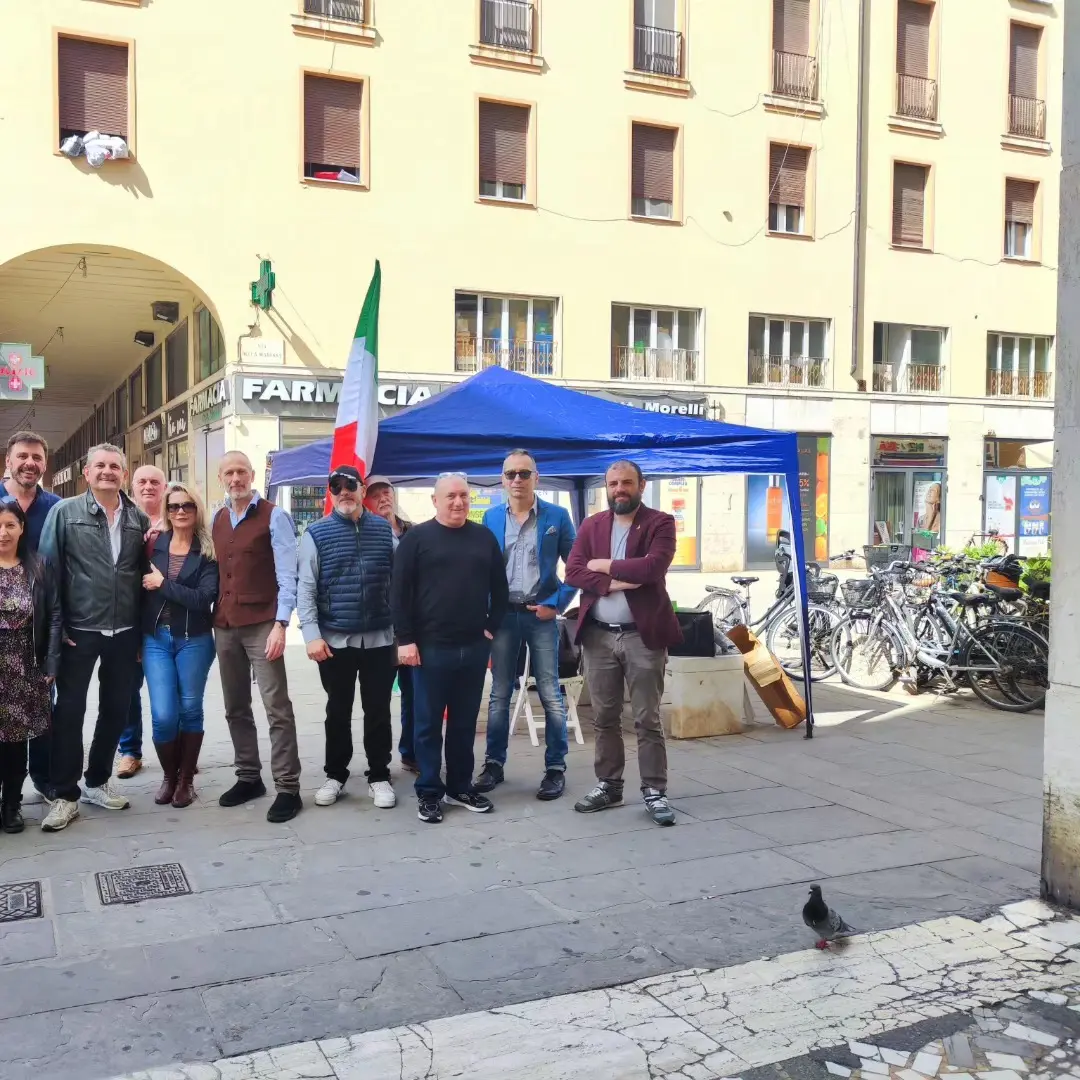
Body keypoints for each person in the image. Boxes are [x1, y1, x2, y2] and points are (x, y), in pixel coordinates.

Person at [38, 443, 151, 832]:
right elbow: (47, 574)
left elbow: (140, 576)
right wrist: (58, 627)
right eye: (99, 466)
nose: (107, 471)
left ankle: (98, 781)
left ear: (124, 472)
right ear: (86, 473)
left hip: (124, 632)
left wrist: (139, 633)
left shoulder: (137, 517)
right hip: (79, 631)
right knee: (68, 712)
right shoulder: (64, 513)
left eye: (114, 466)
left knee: (116, 709)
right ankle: (65, 794)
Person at [564, 459, 682, 828]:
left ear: (641, 485)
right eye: (613, 483)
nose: (619, 489)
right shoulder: (592, 524)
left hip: (641, 636)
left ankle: (654, 790)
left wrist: (602, 564)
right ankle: (609, 785)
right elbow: (573, 571)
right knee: (604, 717)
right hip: (598, 635)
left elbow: (652, 570)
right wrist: (613, 578)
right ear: (606, 486)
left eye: (626, 482)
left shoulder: (660, 522)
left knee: (647, 718)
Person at [391, 472, 509, 824]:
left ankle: (459, 785)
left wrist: (489, 629)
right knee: (427, 724)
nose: (458, 502)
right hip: (429, 649)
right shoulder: (417, 539)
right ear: (435, 501)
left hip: (473, 648)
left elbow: (500, 591)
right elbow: (398, 593)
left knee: (464, 722)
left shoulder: (483, 538)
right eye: (450, 497)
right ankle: (429, 791)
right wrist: (406, 639)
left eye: (463, 496)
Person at [475, 450, 576, 801]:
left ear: (536, 476)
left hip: (540, 615)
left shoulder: (557, 516)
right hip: (503, 616)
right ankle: (493, 765)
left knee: (550, 692)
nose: (517, 480)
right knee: (500, 692)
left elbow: (576, 568)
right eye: (510, 474)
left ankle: (555, 768)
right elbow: (480, 570)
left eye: (524, 473)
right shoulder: (489, 517)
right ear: (502, 479)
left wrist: (556, 604)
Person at [212, 451, 303, 823]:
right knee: (235, 707)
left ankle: (288, 787)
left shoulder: (274, 516)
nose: (236, 478)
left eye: (241, 472)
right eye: (229, 472)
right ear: (222, 478)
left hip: (264, 623)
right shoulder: (218, 518)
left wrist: (281, 623)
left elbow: (287, 574)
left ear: (251, 475)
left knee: (276, 707)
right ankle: (249, 777)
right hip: (225, 624)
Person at [299, 466, 397, 809]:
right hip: (335, 641)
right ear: (330, 491)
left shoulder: (385, 531)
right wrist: (311, 635)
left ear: (361, 489)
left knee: (379, 710)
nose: (343, 491)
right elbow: (306, 588)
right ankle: (336, 775)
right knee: (337, 710)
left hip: (381, 638)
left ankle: (379, 775)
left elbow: (401, 583)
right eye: (336, 486)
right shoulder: (316, 534)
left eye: (350, 485)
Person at [141, 481, 219, 808]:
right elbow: (136, 591)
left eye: (186, 505)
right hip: (155, 638)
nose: (180, 511)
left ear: (196, 509)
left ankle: (186, 779)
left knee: (190, 709)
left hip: (194, 640)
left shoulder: (208, 550)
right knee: (162, 714)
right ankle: (169, 776)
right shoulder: (153, 544)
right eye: (173, 507)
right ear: (166, 512)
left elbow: (204, 599)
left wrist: (163, 584)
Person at [4, 431, 62, 799]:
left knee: (43, 710)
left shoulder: (56, 506)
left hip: (37, 633)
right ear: (8, 461)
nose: (30, 463)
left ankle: (43, 779)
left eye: (38, 457)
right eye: (23, 455)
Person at [0, 499, 61, 834]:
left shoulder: (38, 565)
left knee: (15, 742)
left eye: (10, 524)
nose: (3, 532)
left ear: (22, 528)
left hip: (25, 667)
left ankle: (12, 805)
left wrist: (51, 661)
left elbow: (53, 617)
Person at [115, 464, 167, 780]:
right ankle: (130, 752)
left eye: (154, 481)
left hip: (168, 620)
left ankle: (175, 749)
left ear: (164, 486)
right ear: (132, 485)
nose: (148, 486)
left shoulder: (179, 516)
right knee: (127, 689)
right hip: (128, 619)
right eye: (142, 481)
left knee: (170, 692)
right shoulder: (122, 520)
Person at [364, 475, 416, 773]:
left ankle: (410, 752)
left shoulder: (412, 531)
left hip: (410, 624)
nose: (383, 498)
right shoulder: (367, 533)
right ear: (365, 500)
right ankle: (379, 763)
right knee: (379, 698)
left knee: (414, 692)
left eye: (386, 492)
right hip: (381, 626)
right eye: (375, 495)